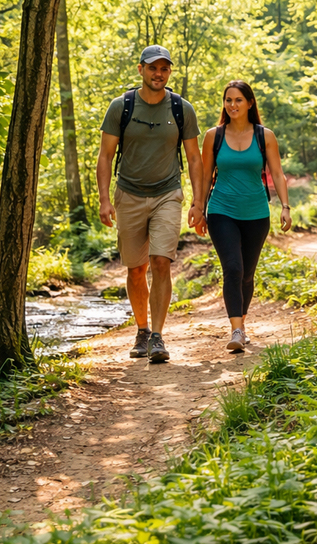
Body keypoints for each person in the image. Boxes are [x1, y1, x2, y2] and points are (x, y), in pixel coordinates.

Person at [96, 45, 203, 363]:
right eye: (153, 68)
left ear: (169, 72)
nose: (159, 73)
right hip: (128, 194)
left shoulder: (181, 109)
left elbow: (194, 158)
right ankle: (141, 330)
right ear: (141, 69)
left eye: (165, 68)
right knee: (136, 268)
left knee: (161, 262)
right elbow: (105, 156)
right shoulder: (121, 106)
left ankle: (157, 335)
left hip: (167, 193)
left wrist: (199, 201)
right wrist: (104, 199)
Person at [198, 80, 292, 352]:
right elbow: (205, 176)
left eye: (238, 100)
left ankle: (242, 324)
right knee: (233, 268)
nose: (232, 105)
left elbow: (277, 174)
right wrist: (199, 208)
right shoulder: (213, 136)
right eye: (228, 100)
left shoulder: (265, 136)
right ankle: (236, 330)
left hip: (256, 213)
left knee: (247, 275)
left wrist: (285, 207)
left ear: (250, 103)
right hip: (221, 211)